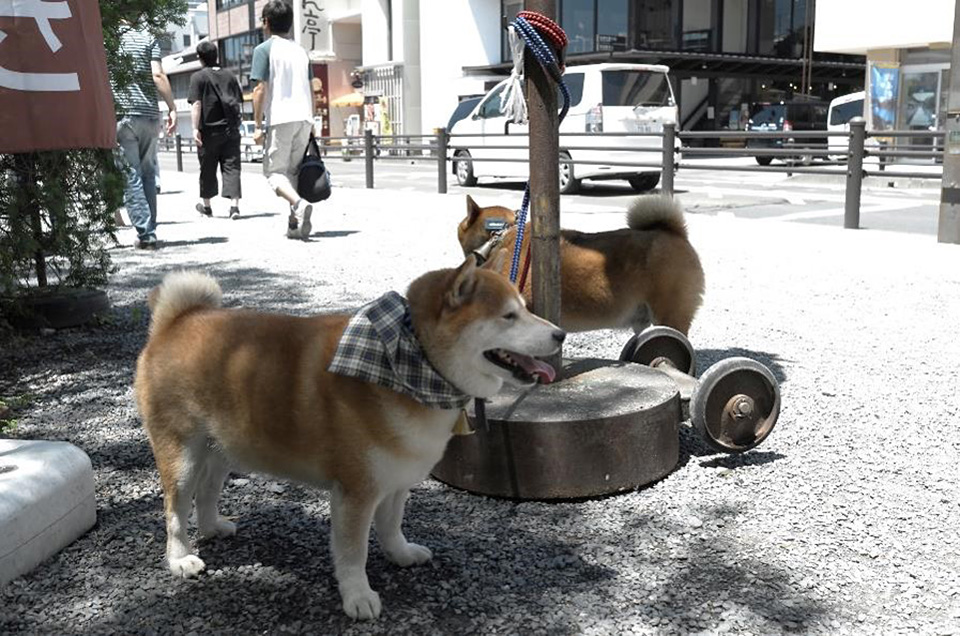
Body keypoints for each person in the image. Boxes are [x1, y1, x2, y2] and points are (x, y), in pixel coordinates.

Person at [250, 0, 316, 240]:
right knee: (293, 173)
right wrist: (313, 121)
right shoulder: (301, 51)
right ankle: (294, 225)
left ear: (266, 22)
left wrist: (257, 125)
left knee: (274, 173)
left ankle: (299, 204)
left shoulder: (264, 50)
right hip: (305, 117)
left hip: (281, 117)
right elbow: (312, 88)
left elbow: (259, 89)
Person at [112, 23, 177, 250]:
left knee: (132, 174)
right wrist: (172, 107)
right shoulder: (148, 36)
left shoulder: (109, 38)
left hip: (122, 115)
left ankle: (145, 233)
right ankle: (150, 230)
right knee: (149, 173)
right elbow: (158, 74)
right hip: (149, 115)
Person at [188, 41, 243, 219]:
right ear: (216, 55)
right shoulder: (230, 75)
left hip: (209, 131)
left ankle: (207, 207)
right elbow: (239, 102)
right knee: (232, 166)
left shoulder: (198, 77)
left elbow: (196, 103)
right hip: (231, 130)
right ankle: (234, 207)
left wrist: (195, 128)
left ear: (199, 57)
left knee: (207, 167)